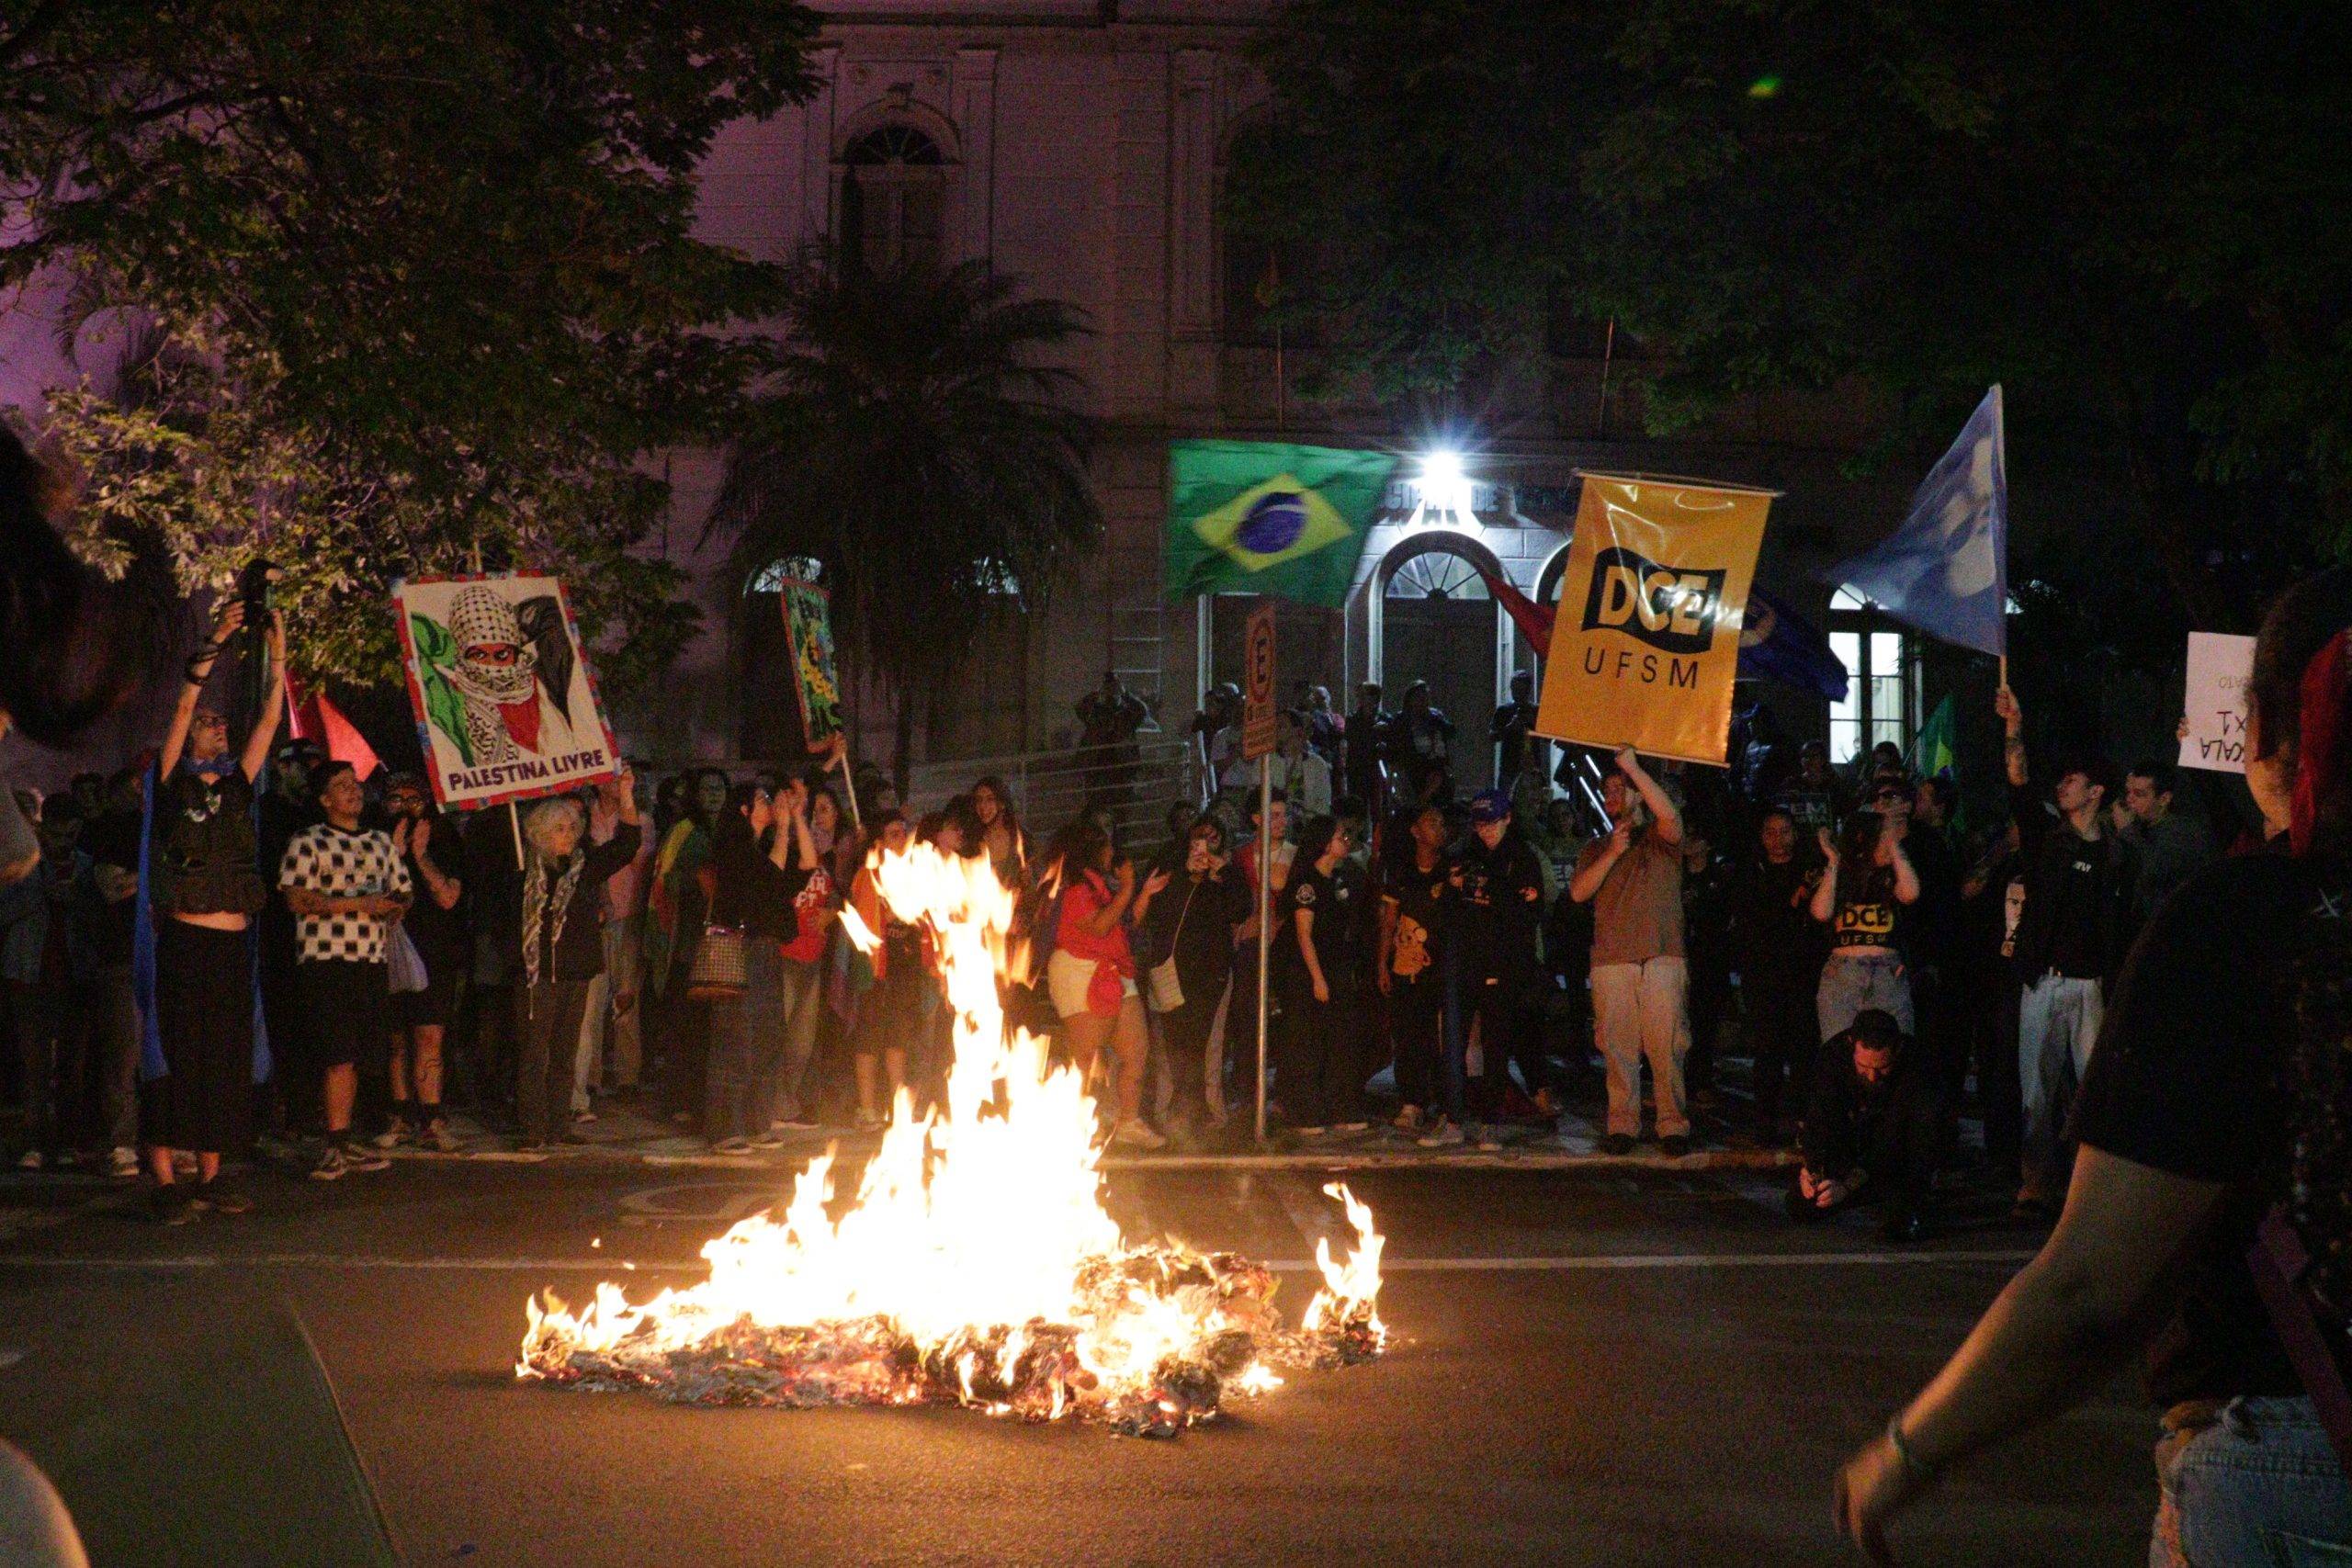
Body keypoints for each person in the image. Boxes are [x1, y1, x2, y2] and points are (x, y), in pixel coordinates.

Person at [1836, 569, 2352, 1567]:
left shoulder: (2247, 922)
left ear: (2264, 729)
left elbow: (2091, 1290)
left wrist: (1907, 1451)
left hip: (2301, 1470)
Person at [146, 600, 286, 1220]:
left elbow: (270, 721)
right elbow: (181, 708)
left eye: (220, 722)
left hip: (231, 943)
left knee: (224, 1056)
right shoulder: (172, 782)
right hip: (186, 941)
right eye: (209, 723)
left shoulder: (237, 787)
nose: (217, 727)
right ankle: (165, 1178)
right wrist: (217, 640)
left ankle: (210, 1174)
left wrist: (278, 656)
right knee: (177, 1050)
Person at [1998, 687, 2138, 1218]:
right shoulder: (2046, 838)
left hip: (2090, 985)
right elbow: (2018, 782)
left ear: (2096, 792)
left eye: (2072, 781)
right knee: (2036, 1092)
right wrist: (2014, 727)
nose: (2062, 786)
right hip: (2046, 980)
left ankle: (2090, 1192)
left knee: (2093, 1094)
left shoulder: (2117, 855)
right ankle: (2035, 1185)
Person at [278, 760, 409, 1179]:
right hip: (326, 959)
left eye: (355, 784)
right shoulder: (308, 841)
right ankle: (332, 1145)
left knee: (358, 1056)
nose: (354, 791)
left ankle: (344, 1138)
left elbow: (402, 891)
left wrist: (392, 908)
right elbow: (296, 898)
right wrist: (358, 904)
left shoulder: (380, 842)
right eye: (342, 785)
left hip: (370, 959)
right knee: (336, 1053)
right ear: (324, 799)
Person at [1569, 749, 1692, 1156]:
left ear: (1639, 793)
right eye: (1607, 790)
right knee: (1617, 1047)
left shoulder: (1662, 838)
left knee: (1666, 1045)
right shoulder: (1596, 847)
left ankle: (1672, 1124)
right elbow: (1579, 892)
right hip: (1612, 958)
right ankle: (1622, 1123)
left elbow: (1670, 816)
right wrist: (1612, 852)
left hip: (1661, 954)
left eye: (1620, 789)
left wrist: (1633, 769)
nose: (1612, 796)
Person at [508, 777, 640, 1149]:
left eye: (571, 827)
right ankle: (533, 1128)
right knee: (535, 1052)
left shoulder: (583, 867)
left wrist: (626, 794)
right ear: (539, 834)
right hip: (537, 975)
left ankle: (558, 1124)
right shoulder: (523, 871)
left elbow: (627, 845)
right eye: (559, 829)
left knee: (565, 1051)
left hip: (576, 970)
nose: (568, 835)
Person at [1043, 819, 1169, 1148]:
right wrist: (1127, 888)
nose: (1113, 851)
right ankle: (1081, 1127)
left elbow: (1123, 925)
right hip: (1079, 971)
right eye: (1107, 845)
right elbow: (1098, 927)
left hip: (1113, 969)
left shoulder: (1100, 886)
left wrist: (1143, 893)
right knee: (1086, 1060)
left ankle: (1128, 1121)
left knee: (1136, 1051)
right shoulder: (1074, 890)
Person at [703, 779, 811, 1153]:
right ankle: (725, 1129)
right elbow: (768, 876)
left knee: (767, 1036)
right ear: (744, 810)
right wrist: (782, 829)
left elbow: (803, 866)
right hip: (738, 947)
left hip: (766, 949)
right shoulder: (733, 848)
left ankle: (756, 1122)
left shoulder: (762, 847)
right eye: (764, 800)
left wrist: (796, 819)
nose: (770, 805)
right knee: (735, 1037)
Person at [1135, 814, 1250, 1140]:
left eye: (1213, 839)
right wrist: (1185, 875)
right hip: (1173, 973)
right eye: (1200, 838)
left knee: (1206, 1046)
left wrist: (1222, 872)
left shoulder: (1224, 878)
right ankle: (1172, 1112)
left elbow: (1241, 909)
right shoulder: (1171, 873)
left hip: (1212, 976)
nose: (1205, 846)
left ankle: (1204, 1112)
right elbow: (1152, 915)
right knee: (1172, 1045)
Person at [1788, 1010, 1943, 1242]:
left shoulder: (1918, 1067)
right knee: (1802, 1204)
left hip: (1898, 1155)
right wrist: (1812, 1168)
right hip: (1852, 1145)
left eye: (1881, 1068)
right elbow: (1819, 1117)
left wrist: (1849, 1185)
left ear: (1897, 1050)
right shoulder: (1833, 1057)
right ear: (1852, 1045)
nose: (1872, 1077)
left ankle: (1908, 1203)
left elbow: (1915, 1139)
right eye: (1864, 1067)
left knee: (1899, 1223)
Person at [1, 798, 96, 1169]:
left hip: (74, 975)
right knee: (35, 1066)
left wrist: (77, 897)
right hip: (29, 973)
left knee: (72, 1066)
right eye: (57, 834)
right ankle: (35, 1142)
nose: (64, 842)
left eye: (71, 834)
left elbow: (98, 918)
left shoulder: (86, 867)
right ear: (43, 830)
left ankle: (67, 1141)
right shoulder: (23, 866)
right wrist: (42, 894)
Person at [1450, 789, 1552, 1125]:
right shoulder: (1466, 855)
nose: (1486, 830)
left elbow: (1528, 910)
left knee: (1500, 1040)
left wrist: (1487, 890)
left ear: (1507, 818)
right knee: (1457, 1039)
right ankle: (1454, 1111)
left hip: (1507, 963)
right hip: (1469, 961)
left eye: (1492, 822)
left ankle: (1493, 1116)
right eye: (1480, 824)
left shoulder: (1523, 857)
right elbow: (1454, 905)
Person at [1273, 813, 1370, 1135]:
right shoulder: (1307, 884)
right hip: (1309, 971)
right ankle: (1306, 1111)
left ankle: (1340, 1106)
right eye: (1341, 836)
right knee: (1308, 1041)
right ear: (1325, 843)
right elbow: (1304, 935)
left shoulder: (1337, 879)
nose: (1346, 841)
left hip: (1337, 966)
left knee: (1340, 1039)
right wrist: (1317, 977)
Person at [380, 773, 462, 1152]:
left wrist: (419, 856)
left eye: (413, 800)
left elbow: (448, 898)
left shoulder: (443, 837)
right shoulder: (374, 838)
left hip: (434, 950)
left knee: (429, 1036)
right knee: (396, 1038)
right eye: (396, 800)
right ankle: (399, 1116)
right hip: (388, 947)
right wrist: (394, 856)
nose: (405, 807)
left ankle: (432, 1116)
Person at [1731, 806, 1824, 1137]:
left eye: (1784, 832)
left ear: (1795, 834)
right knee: (1767, 1048)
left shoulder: (1810, 872)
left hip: (1802, 973)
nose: (1778, 839)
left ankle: (1802, 1118)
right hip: (1764, 974)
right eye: (1771, 832)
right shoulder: (1751, 872)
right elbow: (1749, 920)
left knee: (1803, 1048)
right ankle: (1765, 1119)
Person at [1811, 795, 1923, 1044]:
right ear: (1864, 839)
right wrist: (1833, 862)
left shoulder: (1893, 874)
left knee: (1895, 1047)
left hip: (1887, 971)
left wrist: (1895, 848)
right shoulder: (1841, 875)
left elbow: (1910, 893)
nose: (1890, 840)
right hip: (1843, 972)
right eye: (1884, 836)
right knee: (1839, 1049)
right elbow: (1820, 912)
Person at [1379, 804, 1454, 1137]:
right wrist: (1382, 963)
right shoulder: (1401, 872)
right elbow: (1389, 921)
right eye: (1431, 822)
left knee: (1437, 1036)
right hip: (1405, 965)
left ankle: (1442, 1100)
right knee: (1407, 1034)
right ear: (1415, 831)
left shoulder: (1450, 869)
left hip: (1440, 967)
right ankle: (1412, 1101)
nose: (1438, 827)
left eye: (1441, 822)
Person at [848, 811, 923, 1128]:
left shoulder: (913, 873)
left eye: (903, 832)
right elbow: (866, 922)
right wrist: (896, 913)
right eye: (893, 834)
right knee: (869, 1036)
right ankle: (867, 1108)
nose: (901, 838)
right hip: (875, 969)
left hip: (903, 967)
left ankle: (897, 1106)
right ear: (879, 842)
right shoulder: (868, 874)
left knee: (898, 1038)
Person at [2117, 759, 2214, 924]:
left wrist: (2127, 832)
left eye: (2139, 794)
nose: (2129, 799)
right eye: (2129, 792)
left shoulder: (2185, 834)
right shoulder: (2137, 826)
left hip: (2169, 923)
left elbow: (2151, 875)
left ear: (2164, 799)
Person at [1390, 681, 1455, 805]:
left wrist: (1437, 721)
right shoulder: (1403, 719)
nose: (1423, 701)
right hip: (1415, 764)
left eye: (1426, 697)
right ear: (1411, 699)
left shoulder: (1435, 716)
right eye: (1419, 697)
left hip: (1438, 762)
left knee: (1440, 783)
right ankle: (1420, 802)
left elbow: (1450, 731)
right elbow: (1396, 741)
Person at [1774, 738, 1850, 837]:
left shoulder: (1833, 784)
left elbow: (1844, 812)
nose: (1808, 760)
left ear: (1823, 759)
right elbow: (1779, 810)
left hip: (1826, 838)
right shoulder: (1792, 783)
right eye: (1805, 756)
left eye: (1813, 756)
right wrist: (1788, 799)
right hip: (1798, 837)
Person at [968, 774, 1029, 889]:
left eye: (990, 799)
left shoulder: (1021, 839)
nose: (983, 806)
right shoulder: (972, 841)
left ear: (1002, 804)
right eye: (979, 800)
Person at [1269, 709, 1333, 818]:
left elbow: (1324, 802)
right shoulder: (1267, 762)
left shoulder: (1317, 764)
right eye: (1274, 727)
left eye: (1281, 726)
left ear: (1297, 731)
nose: (1276, 730)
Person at [1493, 670, 1544, 794]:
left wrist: (1533, 725)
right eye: (1515, 689)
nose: (1517, 693)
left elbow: (1548, 737)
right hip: (1510, 767)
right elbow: (1492, 736)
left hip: (1532, 767)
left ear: (1527, 690)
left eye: (1521, 690)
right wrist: (1510, 727)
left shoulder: (1536, 711)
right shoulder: (1504, 711)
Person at [1342, 682, 1390, 807]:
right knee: (1358, 806)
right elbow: (1353, 741)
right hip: (1358, 769)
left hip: (1378, 769)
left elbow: (1393, 743)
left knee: (1378, 807)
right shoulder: (1352, 720)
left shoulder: (1385, 719)